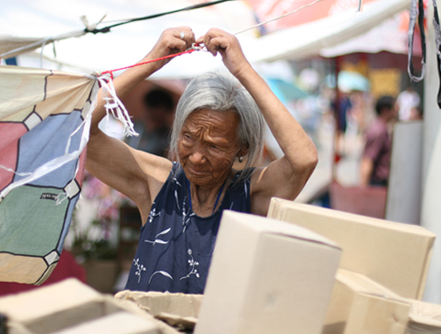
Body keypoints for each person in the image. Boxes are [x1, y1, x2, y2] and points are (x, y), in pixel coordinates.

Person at [86, 27, 318, 294]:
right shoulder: (157, 182)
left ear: (240, 148)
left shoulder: (252, 193)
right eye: (187, 137)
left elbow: (303, 159)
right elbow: (81, 132)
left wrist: (241, 69)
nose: (196, 157)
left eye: (214, 146)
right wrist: (152, 62)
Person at [359, 95, 397, 187]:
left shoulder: (383, 128)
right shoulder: (378, 131)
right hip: (377, 183)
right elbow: (367, 160)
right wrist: (363, 189)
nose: (397, 111)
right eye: (394, 108)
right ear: (385, 110)